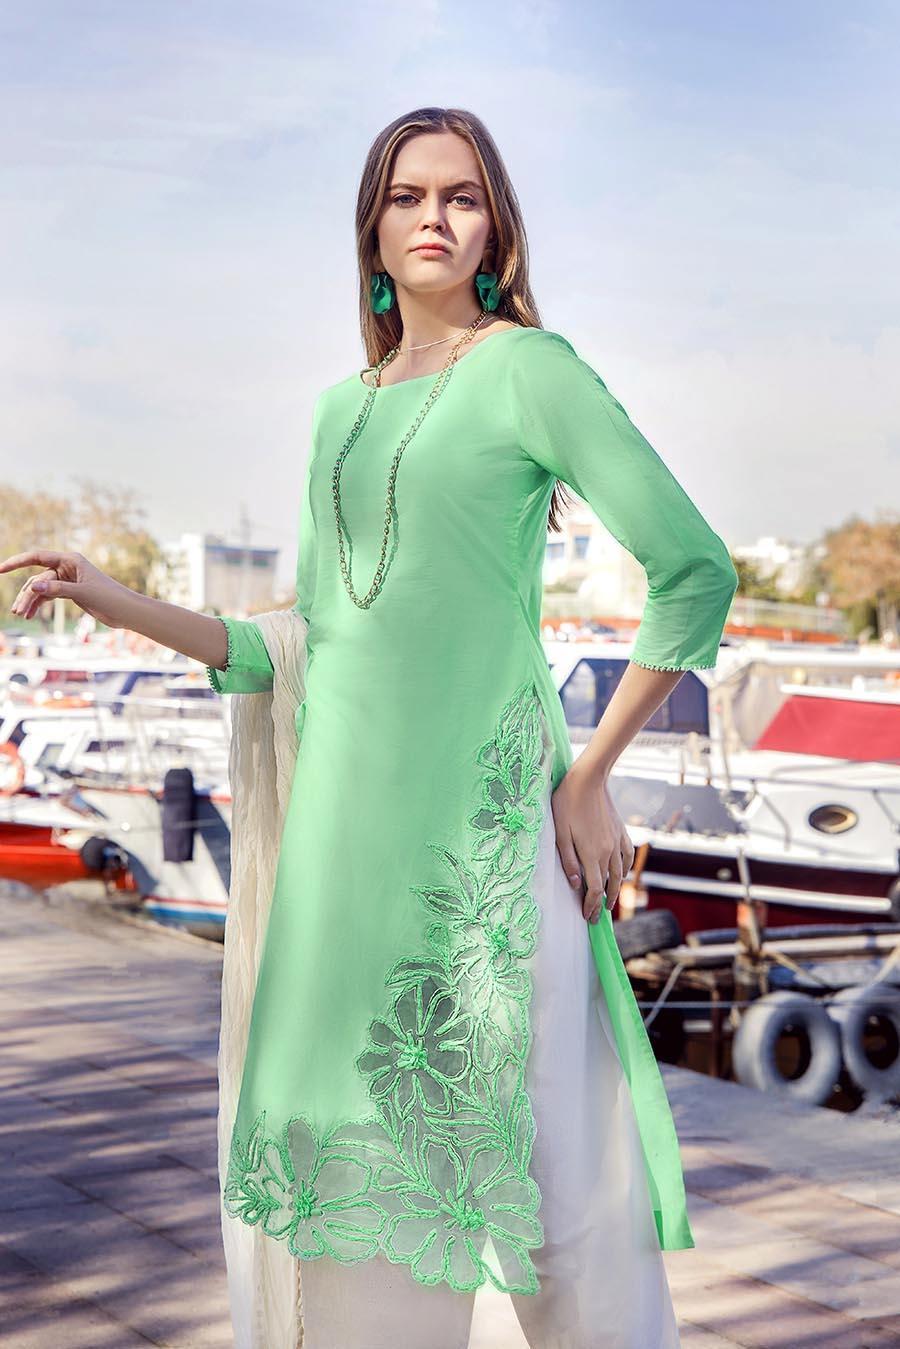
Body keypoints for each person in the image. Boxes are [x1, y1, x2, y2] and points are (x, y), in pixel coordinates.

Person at [0, 106, 738, 1349]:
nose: (433, 217)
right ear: (373, 229)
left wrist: (589, 776)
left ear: (496, 226)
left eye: (461, 194)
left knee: (558, 1208)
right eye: (407, 195)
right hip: (345, 858)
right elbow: (300, 645)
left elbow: (695, 569)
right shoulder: (334, 412)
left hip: (482, 854)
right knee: (350, 1207)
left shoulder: (530, 369)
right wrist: (107, 595)